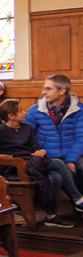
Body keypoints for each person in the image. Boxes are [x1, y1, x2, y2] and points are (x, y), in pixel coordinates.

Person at [0, 99, 69, 228]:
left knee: (56, 176)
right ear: (11, 116)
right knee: (59, 164)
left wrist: (41, 151)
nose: (24, 112)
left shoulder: (26, 128)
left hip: (31, 161)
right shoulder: (0, 131)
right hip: (14, 166)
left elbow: (35, 147)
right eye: (21, 110)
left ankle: (51, 215)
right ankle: (77, 198)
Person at [24, 74, 83, 214]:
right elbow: (26, 136)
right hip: (48, 156)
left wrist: (71, 159)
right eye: (43, 88)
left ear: (62, 91)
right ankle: (71, 205)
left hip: (72, 153)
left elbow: (81, 137)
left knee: (82, 167)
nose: (43, 92)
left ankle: (79, 207)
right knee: (55, 175)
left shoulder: (79, 110)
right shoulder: (35, 110)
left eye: (48, 89)